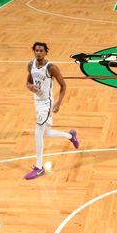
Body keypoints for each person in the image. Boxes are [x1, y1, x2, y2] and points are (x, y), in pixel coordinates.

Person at [25, 41, 79, 180]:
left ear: (46, 52)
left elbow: (63, 86)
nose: (38, 52)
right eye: (36, 50)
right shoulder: (30, 65)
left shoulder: (51, 68)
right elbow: (28, 81)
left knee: (38, 132)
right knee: (47, 133)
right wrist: (30, 86)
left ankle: (38, 167)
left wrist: (58, 103)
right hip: (36, 102)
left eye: (41, 50)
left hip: (46, 103)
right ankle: (70, 136)